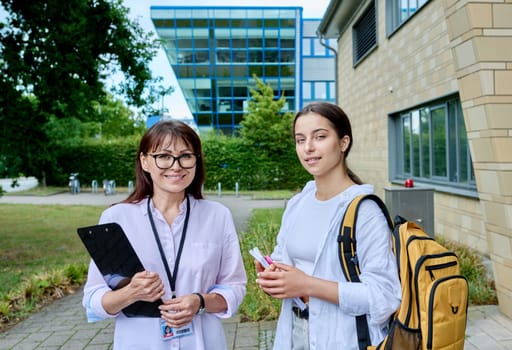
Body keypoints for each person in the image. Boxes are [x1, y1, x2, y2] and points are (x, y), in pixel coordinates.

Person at [82, 120, 247, 349]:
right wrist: (130, 293)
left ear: (196, 161)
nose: (176, 166)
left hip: (202, 342)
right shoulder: (116, 218)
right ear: (145, 161)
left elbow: (235, 287)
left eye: (186, 156)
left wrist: (200, 302)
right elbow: (93, 300)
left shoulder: (217, 216)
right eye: (164, 156)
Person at [255, 102, 401, 349]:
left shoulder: (364, 211)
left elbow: (384, 296)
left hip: (346, 339)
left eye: (320, 137)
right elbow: (288, 266)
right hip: (295, 332)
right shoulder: (298, 204)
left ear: (343, 143)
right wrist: (274, 277)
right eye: (300, 140)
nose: (308, 148)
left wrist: (307, 284)